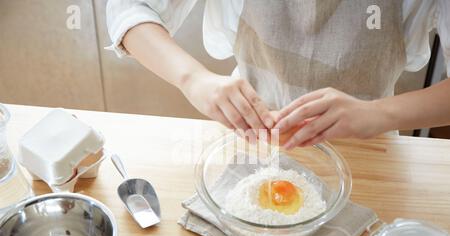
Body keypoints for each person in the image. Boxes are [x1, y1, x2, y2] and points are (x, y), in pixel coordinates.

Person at [106, 0, 450, 148]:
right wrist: (194, 79)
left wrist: (377, 113)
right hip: (253, 137)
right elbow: (128, 9)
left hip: (371, 148)